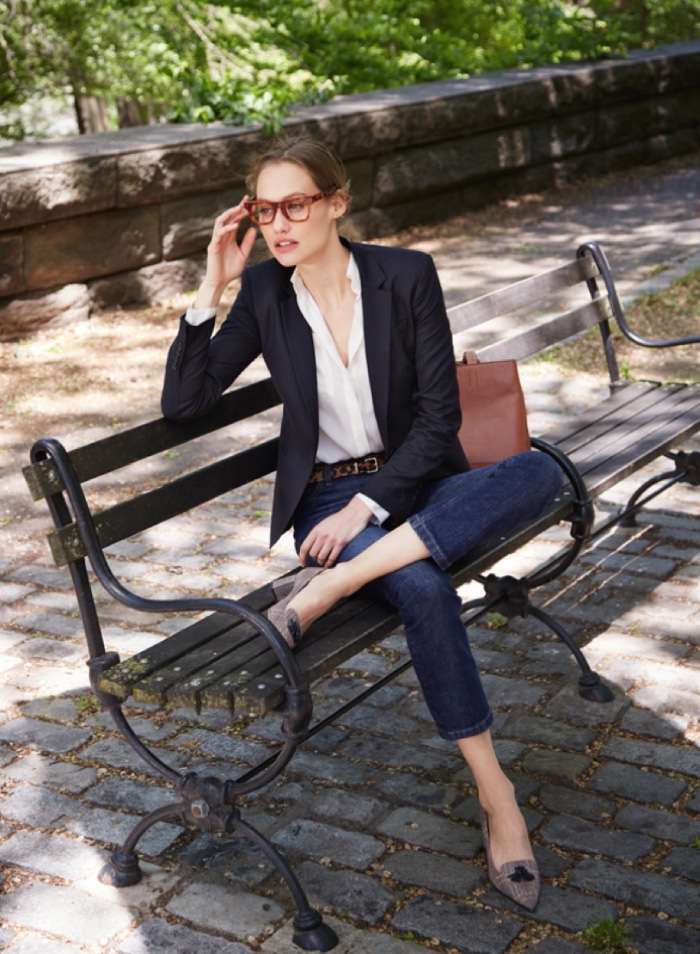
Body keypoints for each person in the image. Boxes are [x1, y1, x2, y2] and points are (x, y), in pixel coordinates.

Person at [161, 134, 563, 911]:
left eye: (297, 205)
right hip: (324, 500)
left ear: (337, 203)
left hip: (407, 489)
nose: (280, 224)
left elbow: (439, 417)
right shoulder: (267, 296)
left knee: (542, 469)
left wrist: (367, 512)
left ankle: (331, 584)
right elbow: (184, 403)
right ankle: (498, 797)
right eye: (266, 209)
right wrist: (210, 288)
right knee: (420, 587)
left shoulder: (404, 275)